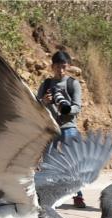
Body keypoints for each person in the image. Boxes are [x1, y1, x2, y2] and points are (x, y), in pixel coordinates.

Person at [36, 51, 85, 208]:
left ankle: (78, 195)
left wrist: (66, 109)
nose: (61, 70)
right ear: (52, 67)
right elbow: (36, 106)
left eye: (64, 67)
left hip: (68, 127)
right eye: (58, 67)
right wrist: (44, 101)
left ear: (68, 66)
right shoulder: (46, 84)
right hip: (50, 128)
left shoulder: (73, 84)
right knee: (49, 163)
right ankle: (48, 196)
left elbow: (77, 107)